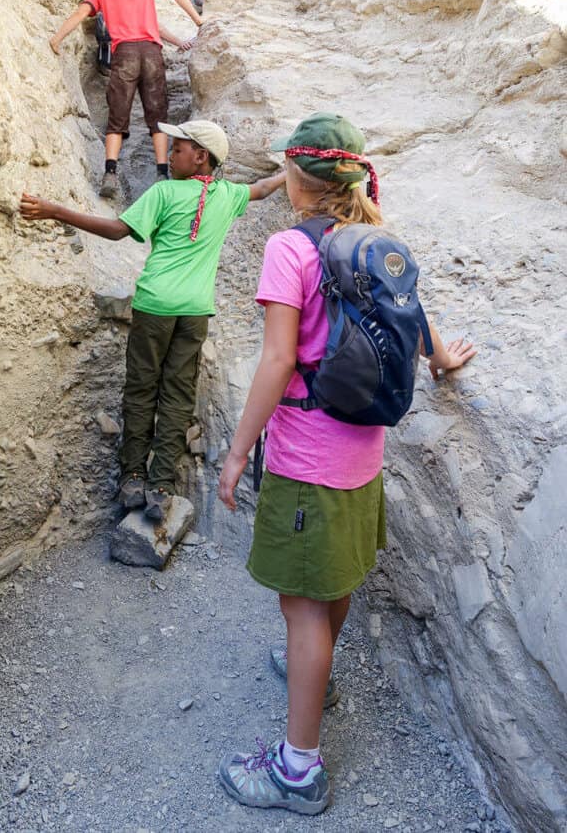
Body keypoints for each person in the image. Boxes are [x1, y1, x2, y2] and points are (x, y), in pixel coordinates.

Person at [216, 112, 477, 816]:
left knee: (299, 604)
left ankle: (298, 769)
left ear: (297, 177)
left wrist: (239, 451)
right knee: (330, 584)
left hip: (306, 457)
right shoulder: (376, 239)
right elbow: (409, 312)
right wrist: (442, 355)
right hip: (363, 458)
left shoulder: (289, 248)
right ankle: (316, 679)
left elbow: (276, 360)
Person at [19, 120, 286, 521]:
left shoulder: (163, 192)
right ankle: (162, 487)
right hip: (194, 312)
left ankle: (132, 479)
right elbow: (262, 189)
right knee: (178, 395)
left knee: (141, 390)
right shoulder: (227, 195)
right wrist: (291, 173)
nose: (170, 153)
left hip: (155, 307)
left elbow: (115, 230)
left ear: (200, 157)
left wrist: (56, 211)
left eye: (177, 148)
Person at [49, 0, 203, 198]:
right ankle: (162, 173)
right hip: (152, 53)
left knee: (117, 118)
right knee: (158, 116)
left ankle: (110, 173)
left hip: (124, 55)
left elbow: (80, 13)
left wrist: (56, 40)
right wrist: (198, 21)